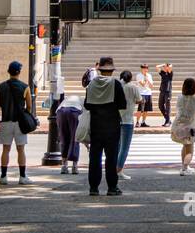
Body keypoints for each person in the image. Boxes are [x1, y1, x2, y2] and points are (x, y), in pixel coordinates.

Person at [83, 57, 129, 196]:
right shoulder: (115, 84)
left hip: (96, 125)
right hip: (112, 125)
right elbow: (122, 104)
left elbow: (87, 104)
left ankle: (93, 187)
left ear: (100, 69)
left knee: (95, 157)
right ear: (111, 70)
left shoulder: (91, 84)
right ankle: (112, 187)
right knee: (111, 157)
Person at [0, 61, 34, 186]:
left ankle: (3, 176)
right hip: (19, 122)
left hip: (5, 121)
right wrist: (25, 116)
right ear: (19, 72)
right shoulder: (25, 87)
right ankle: (22, 177)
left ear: (8, 71)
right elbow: (29, 106)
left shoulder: (1, 87)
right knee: (21, 149)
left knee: (5, 149)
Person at [170, 77, 195, 175]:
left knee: (185, 146)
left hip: (178, 124)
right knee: (190, 148)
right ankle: (184, 168)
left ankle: (184, 166)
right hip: (190, 126)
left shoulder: (180, 97)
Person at [116, 69, 143, 177]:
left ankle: (114, 168)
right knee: (124, 148)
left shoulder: (116, 86)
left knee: (117, 146)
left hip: (116, 119)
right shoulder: (133, 87)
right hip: (127, 120)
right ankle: (118, 170)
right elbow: (139, 100)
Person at [56, 94, 83, 174]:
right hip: (75, 112)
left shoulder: (67, 99)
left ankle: (64, 166)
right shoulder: (82, 100)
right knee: (75, 138)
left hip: (60, 111)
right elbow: (85, 117)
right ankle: (74, 166)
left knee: (64, 139)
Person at [135, 63, 154, 128]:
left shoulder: (149, 75)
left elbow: (151, 86)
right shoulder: (139, 75)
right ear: (141, 69)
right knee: (140, 109)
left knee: (146, 109)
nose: (145, 70)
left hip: (148, 93)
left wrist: (148, 79)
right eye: (144, 68)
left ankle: (143, 122)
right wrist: (145, 78)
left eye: (146, 68)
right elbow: (142, 84)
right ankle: (137, 122)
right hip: (142, 93)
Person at [158, 63, 174, 127]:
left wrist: (168, 66)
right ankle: (168, 119)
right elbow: (157, 67)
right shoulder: (162, 73)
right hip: (162, 91)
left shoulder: (170, 74)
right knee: (160, 106)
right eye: (164, 67)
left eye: (165, 67)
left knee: (167, 107)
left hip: (168, 92)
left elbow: (170, 66)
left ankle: (167, 121)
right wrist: (162, 65)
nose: (164, 68)